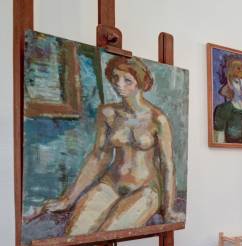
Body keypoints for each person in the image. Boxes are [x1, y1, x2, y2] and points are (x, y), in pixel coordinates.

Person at [32, 56, 181, 235]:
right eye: (115, 78)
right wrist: (67, 199)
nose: (119, 84)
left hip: (145, 189)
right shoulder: (107, 113)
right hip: (111, 184)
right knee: (75, 232)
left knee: (109, 232)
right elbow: (98, 157)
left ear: (141, 83)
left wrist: (169, 209)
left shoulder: (157, 119)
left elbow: (167, 165)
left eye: (127, 80)